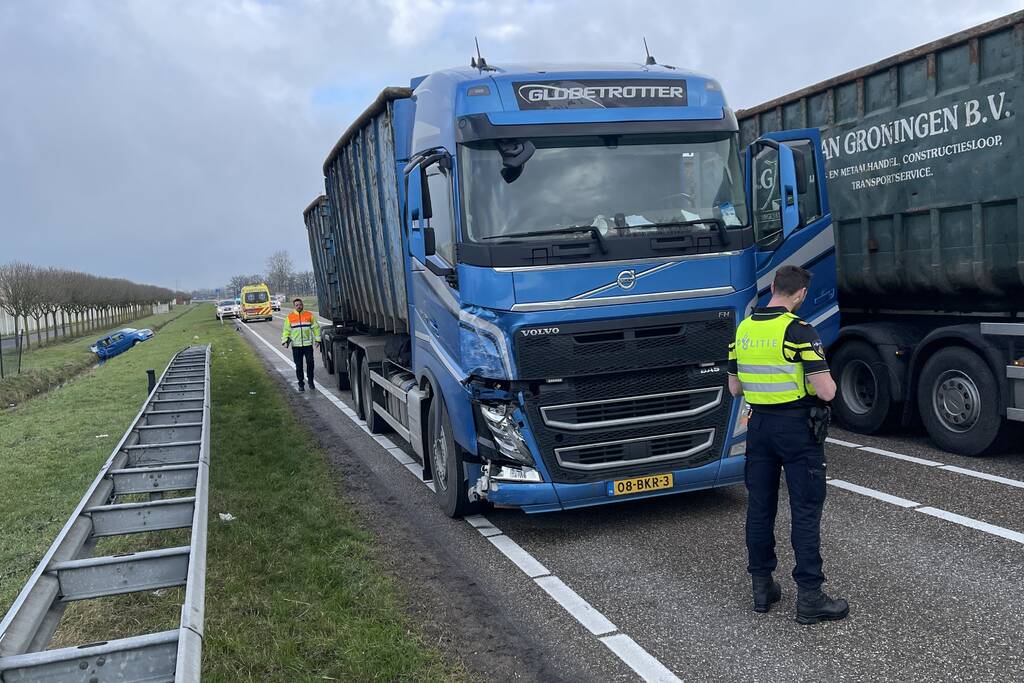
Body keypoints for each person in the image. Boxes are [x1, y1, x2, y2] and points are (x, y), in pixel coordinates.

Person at [727, 265, 849, 625]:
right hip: (797, 429)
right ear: (800, 294)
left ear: (773, 289)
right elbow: (826, 391)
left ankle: (762, 589)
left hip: (759, 426)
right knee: (805, 511)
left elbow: (735, 389)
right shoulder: (798, 331)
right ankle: (810, 598)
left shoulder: (744, 330)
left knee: (760, 508)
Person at [281, 298, 321, 392]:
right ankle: (301, 384)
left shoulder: (309, 315)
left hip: (307, 345)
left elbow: (315, 328)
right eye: (297, 305)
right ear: (294, 306)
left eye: (300, 304)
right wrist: (285, 341)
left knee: (310, 363)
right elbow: (286, 330)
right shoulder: (290, 317)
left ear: (302, 305)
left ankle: (310, 381)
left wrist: (318, 340)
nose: (299, 306)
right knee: (299, 366)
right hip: (296, 346)